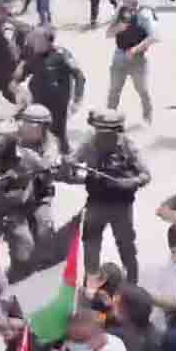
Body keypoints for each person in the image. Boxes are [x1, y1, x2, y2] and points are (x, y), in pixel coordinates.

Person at [68, 109, 151, 283]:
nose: (104, 136)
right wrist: (70, 167)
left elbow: (145, 175)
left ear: (118, 130)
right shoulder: (89, 143)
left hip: (121, 204)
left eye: (109, 132)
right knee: (91, 243)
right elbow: (72, 164)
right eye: (101, 131)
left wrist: (129, 182)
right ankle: (91, 283)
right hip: (96, 202)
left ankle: (132, 282)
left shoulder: (127, 145)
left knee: (126, 244)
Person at [11, 27, 86, 154]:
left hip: (58, 105)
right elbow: (20, 76)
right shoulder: (34, 56)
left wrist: (77, 100)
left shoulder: (61, 54)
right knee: (39, 135)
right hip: (38, 103)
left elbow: (79, 76)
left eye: (37, 39)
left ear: (47, 40)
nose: (33, 42)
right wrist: (16, 86)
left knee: (58, 135)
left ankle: (65, 158)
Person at [105, 0, 158, 127]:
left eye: (126, 0)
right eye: (123, 0)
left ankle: (147, 118)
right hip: (119, 55)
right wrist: (119, 28)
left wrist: (135, 49)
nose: (124, 3)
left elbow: (154, 37)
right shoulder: (120, 11)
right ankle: (108, 122)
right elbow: (108, 33)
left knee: (143, 91)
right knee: (114, 91)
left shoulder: (145, 13)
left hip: (138, 58)